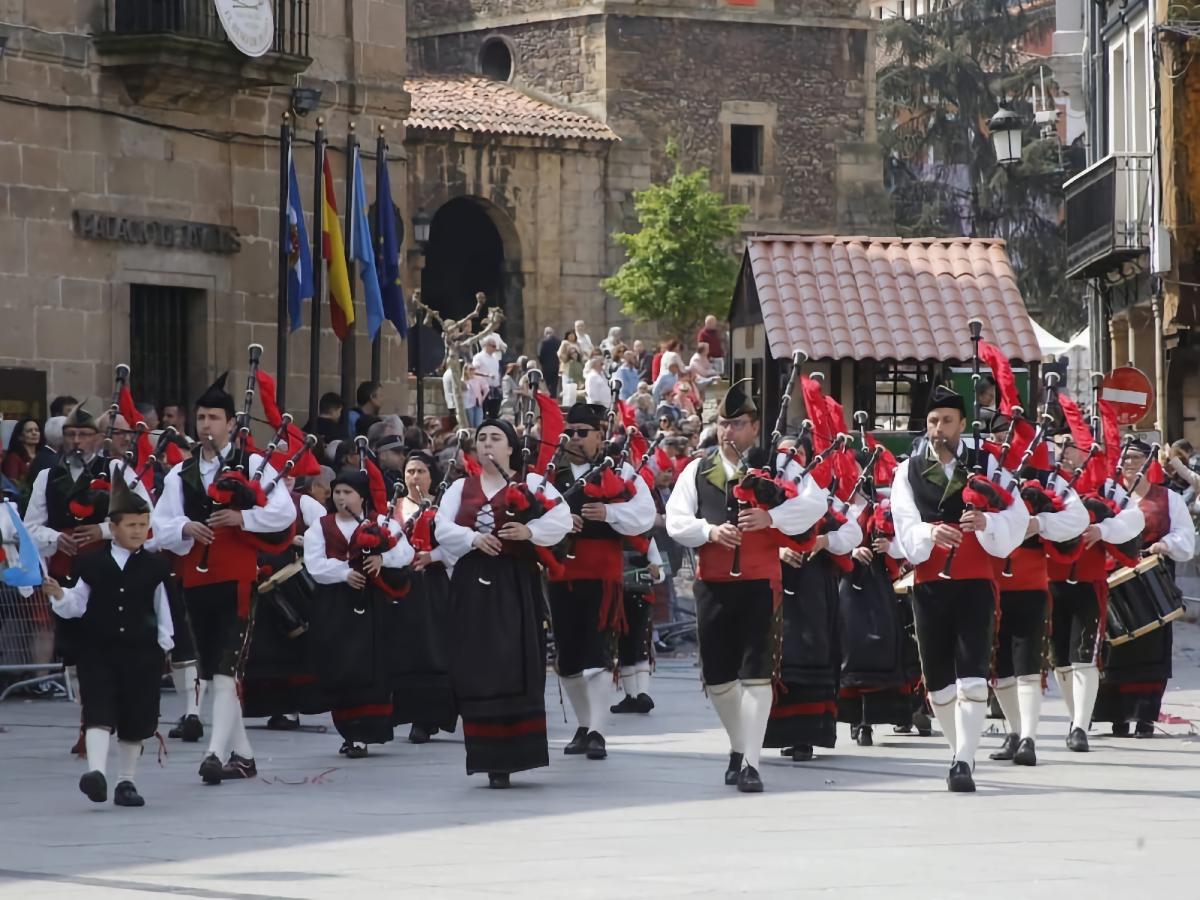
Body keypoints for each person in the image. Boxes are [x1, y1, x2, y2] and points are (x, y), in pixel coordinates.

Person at [665, 382, 828, 793]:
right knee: (719, 678)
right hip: (713, 584)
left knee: (757, 674)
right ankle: (740, 746)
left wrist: (771, 519)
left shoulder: (778, 466)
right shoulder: (696, 470)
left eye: (737, 423)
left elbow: (816, 505)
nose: (727, 431)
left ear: (754, 427)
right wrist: (708, 530)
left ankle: (751, 763)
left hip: (760, 583)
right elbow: (675, 520)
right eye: (722, 423)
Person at [150, 373, 297, 785]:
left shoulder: (253, 465)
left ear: (232, 423)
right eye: (200, 417)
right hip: (197, 584)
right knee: (214, 669)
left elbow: (284, 514)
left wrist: (242, 517)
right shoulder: (182, 473)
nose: (206, 425)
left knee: (226, 670)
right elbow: (159, 526)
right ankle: (244, 757)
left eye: (214, 417)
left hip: (237, 582)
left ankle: (214, 753)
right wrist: (184, 528)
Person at [889, 386, 1029, 792]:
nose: (939, 429)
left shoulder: (987, 465)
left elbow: (1016, 516)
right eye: (933, 422)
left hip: (975, 583)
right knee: (938, 683)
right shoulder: (909, 471)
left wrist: (988, 524)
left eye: (947, 421)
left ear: (962, 424)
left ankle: (965, 759)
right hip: (930, 584)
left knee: (971, 676)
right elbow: (904, 524)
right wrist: (931, 531)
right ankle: (958, 751)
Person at [434, 414, 572, 788]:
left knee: (511, 661)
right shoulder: (460, 488)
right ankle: (486, 756)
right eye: (482, 438)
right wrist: (472, 539)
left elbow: (561, 519)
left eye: (496, 438)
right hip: (471, 588)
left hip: (514, 582)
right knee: (476, 663)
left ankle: (515, 753)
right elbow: (440, 526)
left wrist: (529, 530)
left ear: (511, 447)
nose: (488, 444)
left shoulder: (531, 485)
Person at [43, 478, 174, 808]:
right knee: (98, 709)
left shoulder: (156, 566)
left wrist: (165, 646)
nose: (138, 531)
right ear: (112, 528)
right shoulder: (90, 563)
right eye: (131, 525)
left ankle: (126, 781)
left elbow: (163, 611)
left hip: (141, 653)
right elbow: (78, 604)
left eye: (143, 525)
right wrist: (60, 594)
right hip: (98, 649)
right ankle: (96, 773)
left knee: (136, 717)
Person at [548, 403, 655, 760]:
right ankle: (583, 725)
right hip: (561, 574)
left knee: (598, 653)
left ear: (599, 435)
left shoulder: (619, 472)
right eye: (570, 432)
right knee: (569, 658)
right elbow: (531, 516)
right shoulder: (551, 474)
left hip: (603, 575)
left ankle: (597, 731)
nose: (574, 439)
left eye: (583, 432)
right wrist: (560, 523)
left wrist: (608, 512)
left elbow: (644, 515)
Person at [986, 416, 1088, 767]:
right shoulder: (985, 475)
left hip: (1030, 583)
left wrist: (1038, 522)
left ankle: (1029, 737)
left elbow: (1079, 520)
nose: (1004, 442)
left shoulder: (1046, 480)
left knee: (1028, 664)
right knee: (999, 667)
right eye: (998, 436)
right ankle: (1015, 732)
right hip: (990, 584)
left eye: (1009, 436)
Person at [763, 435, 861, 763]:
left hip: (814, 592)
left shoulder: (819, 498)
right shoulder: (762, 496)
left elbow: (852, 534)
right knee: (778, 658)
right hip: (774, 589)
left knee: (810, 656)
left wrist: (822, 541)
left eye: (798, 452)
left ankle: (805, 736)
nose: (790, 457)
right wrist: (776, 550)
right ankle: (775, 733)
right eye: (785, 451)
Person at [304, 469, 413, 758]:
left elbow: (406, 553)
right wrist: (344, 573)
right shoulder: (321, 525)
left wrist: (382, 558)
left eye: (347, 492)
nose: (341, 498)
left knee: (372, 665)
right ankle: (348, 730)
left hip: (372, 603)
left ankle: (365, 732)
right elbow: (314, 564)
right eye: (337, 492)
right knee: (342, 666)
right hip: (335, 604)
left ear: (361, 496)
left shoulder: (379, 523)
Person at [1091, 438, 1195, 737]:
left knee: (1151, 650)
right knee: (1114, 650)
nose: (1130, 464)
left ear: (1149, 464)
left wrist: (1165, 544)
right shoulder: (1110, 495)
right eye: (1126, 459)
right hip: (1113, 584)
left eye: (1137, 458)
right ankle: (1117, 717)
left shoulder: (1168, 498)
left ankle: (1145, 717)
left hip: (1152, 584)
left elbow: (1185, 537)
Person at [1047, 440, 1144, 752]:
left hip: (1089, 583)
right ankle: (1076, 716)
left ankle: (1078, 727)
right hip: (1052, 583)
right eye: (1060, 446)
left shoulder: (1106, 489)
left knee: (1084, 658)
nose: (1064, 452)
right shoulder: (1047, 483)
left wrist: (1101, 530)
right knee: (1060, 660)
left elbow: (1133, 522)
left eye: (1070, 446)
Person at [393, 451, 459, 744]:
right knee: (405, 648)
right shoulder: (393, 507)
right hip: (400, 585)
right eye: (410, 471)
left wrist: (433, 556)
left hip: (433, 585)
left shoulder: (444, 506)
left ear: (432, 476)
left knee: (433, 648)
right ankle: (405, 712)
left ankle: (428, 719)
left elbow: (457, 545)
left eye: (420, 471)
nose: (414, 477)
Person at [2, 417, 44, 491]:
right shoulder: (13, 458)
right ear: (20, 436)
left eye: (37, 430)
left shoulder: (43, 455)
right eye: (29, 431)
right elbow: (12, 484)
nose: (34, 433)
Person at [537, 327, 562, 395]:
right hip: (556, 366)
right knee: (554, 386)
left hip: (546, 367)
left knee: (546, 385)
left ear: (545, 333)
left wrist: (542, 363)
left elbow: (540, 355)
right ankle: (553, 400)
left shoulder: (543, 342)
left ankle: (547, 401)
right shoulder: (559, 342)